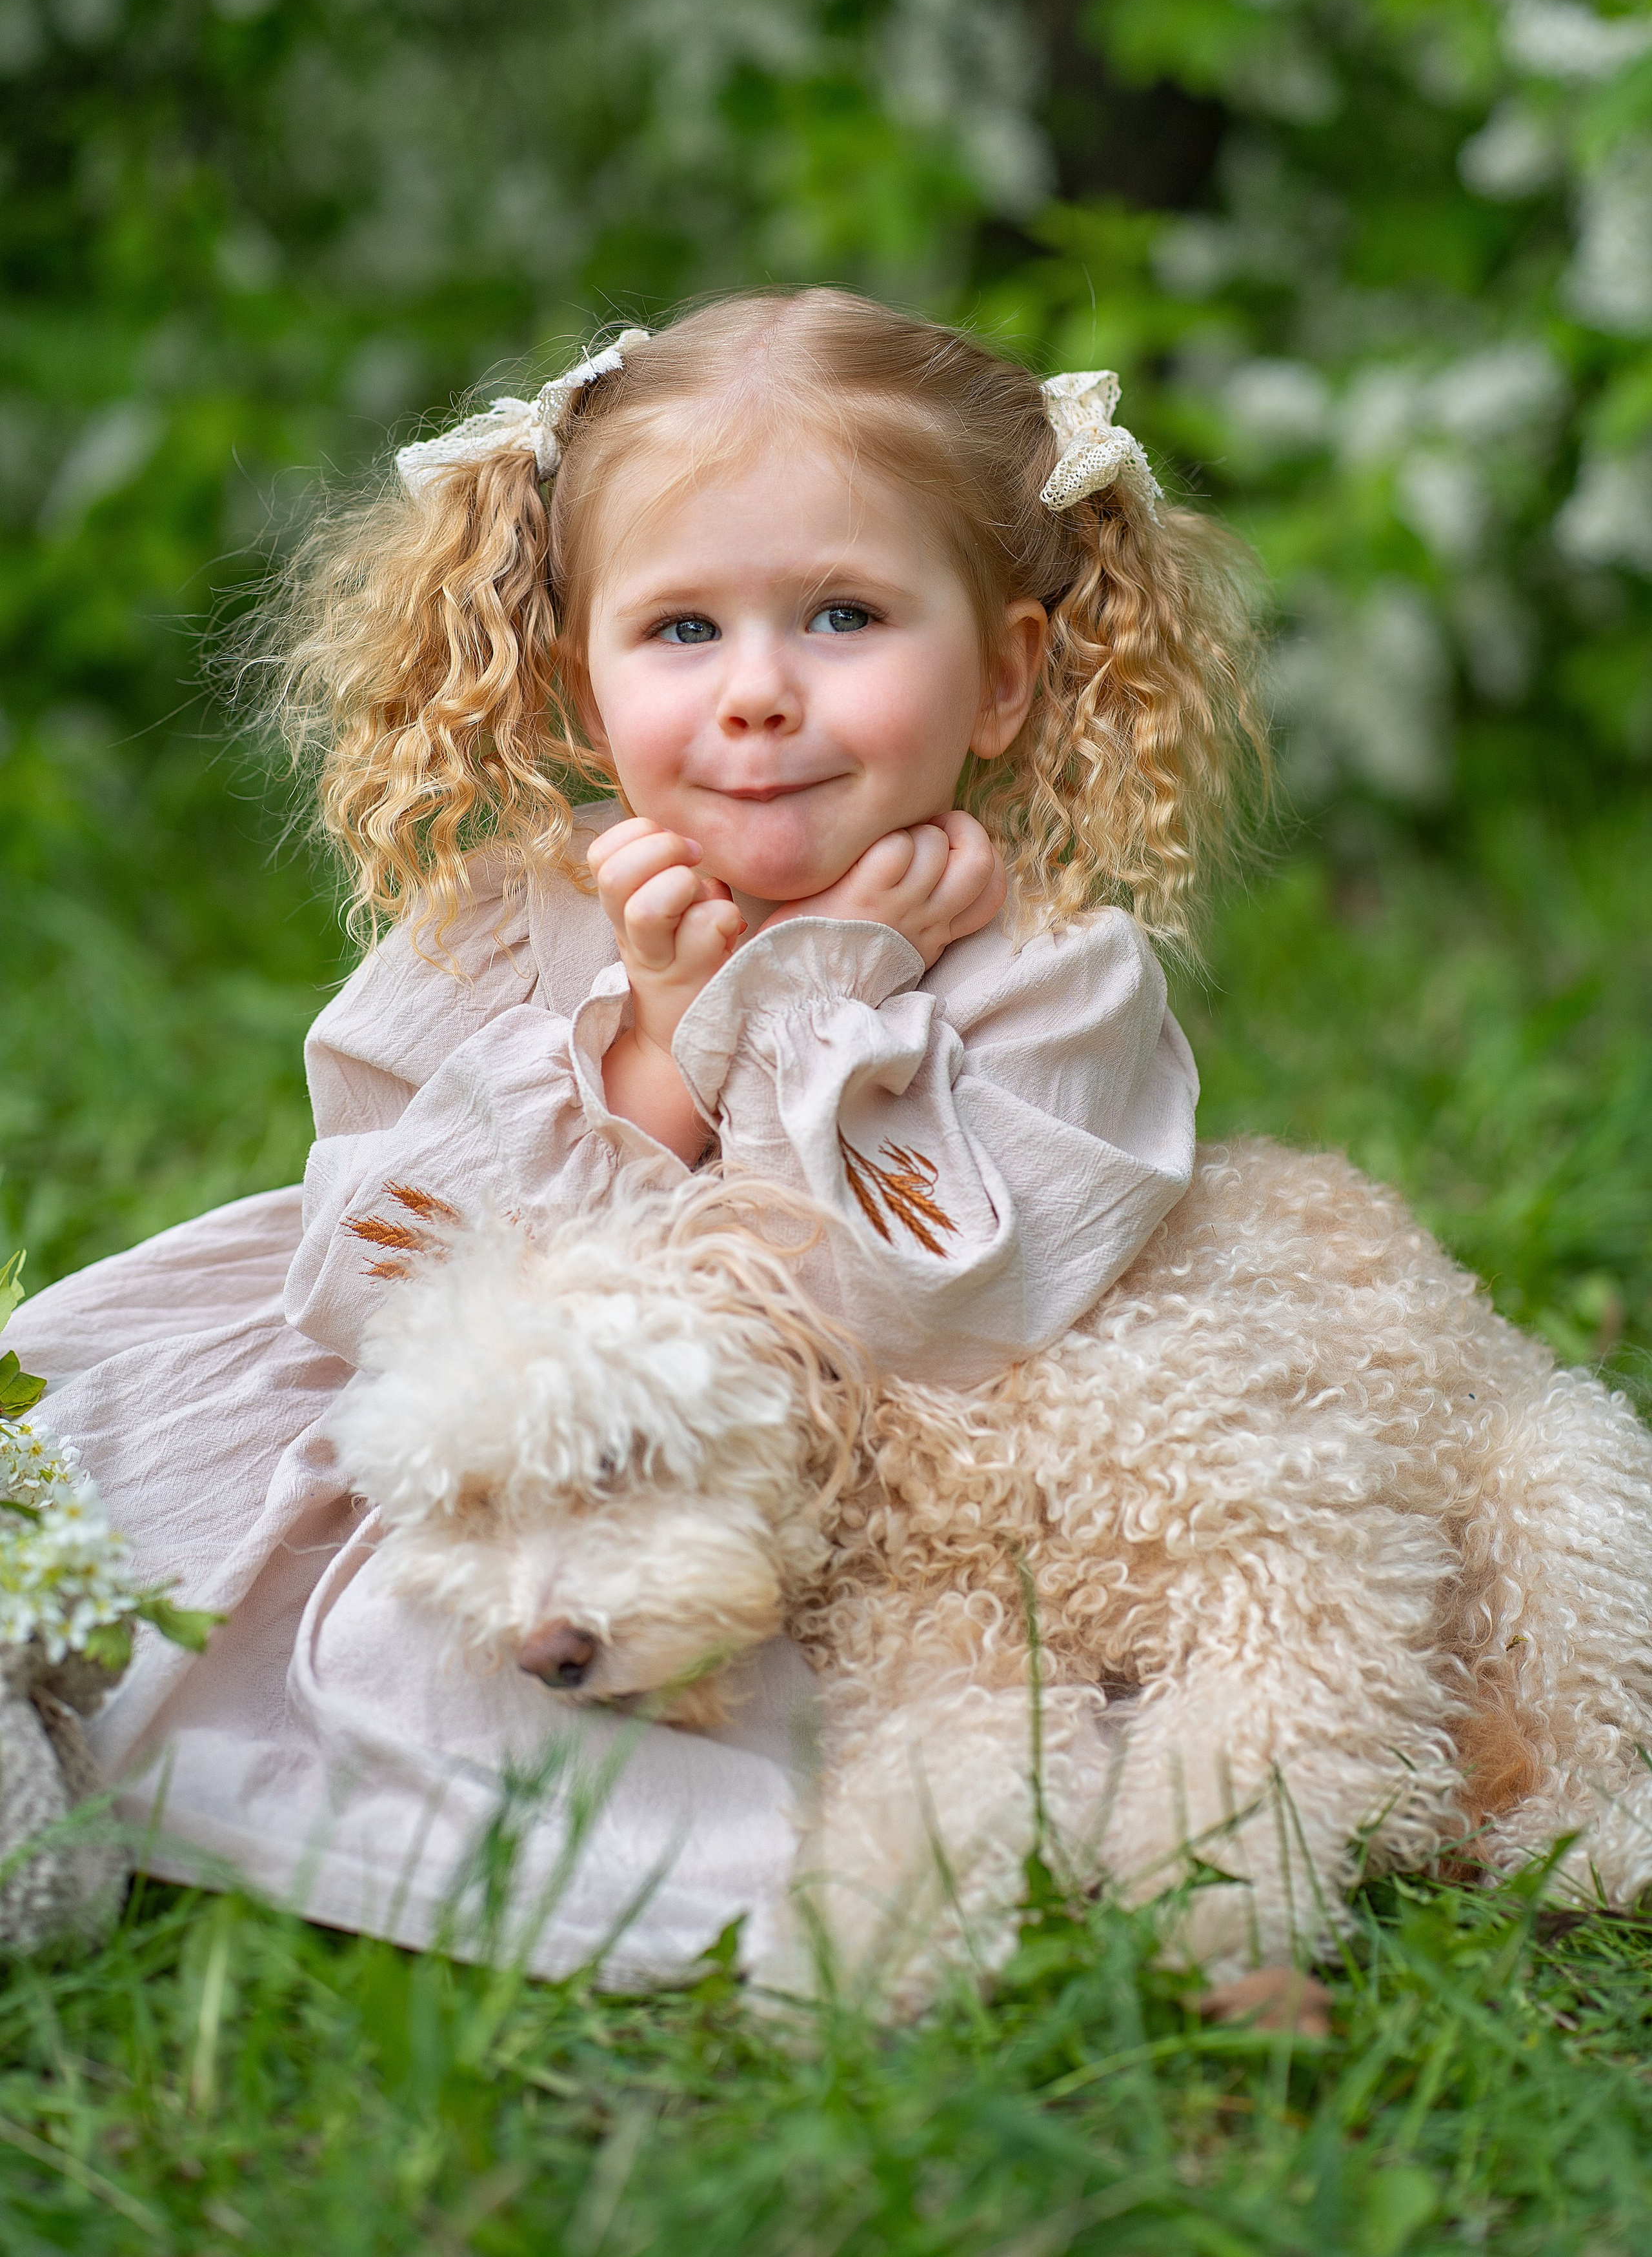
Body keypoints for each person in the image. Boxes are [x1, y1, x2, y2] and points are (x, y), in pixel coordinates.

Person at [12, 289, 1260, 1978]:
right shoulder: (506, 920)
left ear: (1005, 676)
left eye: (843, 615)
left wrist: (822, 993)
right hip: (478, 1470)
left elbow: (929, 1322)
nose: (757, 693)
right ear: (581, 686)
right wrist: (660, 1049)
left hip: (804, 1518)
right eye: (681, 629)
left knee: (469, 1680)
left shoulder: (1050, 975)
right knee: (113, 1502)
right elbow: (383, 1281)